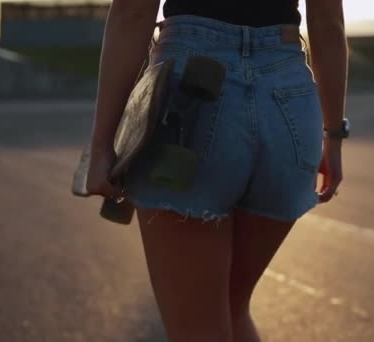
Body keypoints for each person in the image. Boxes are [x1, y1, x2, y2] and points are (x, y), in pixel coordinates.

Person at [86, 0, 347, 341]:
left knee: (200, 329)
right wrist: (333, 137)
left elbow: (133, 13)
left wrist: (102, 145)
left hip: (192, 92)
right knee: (232, 309)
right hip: (289, 100)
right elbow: (328, 24)